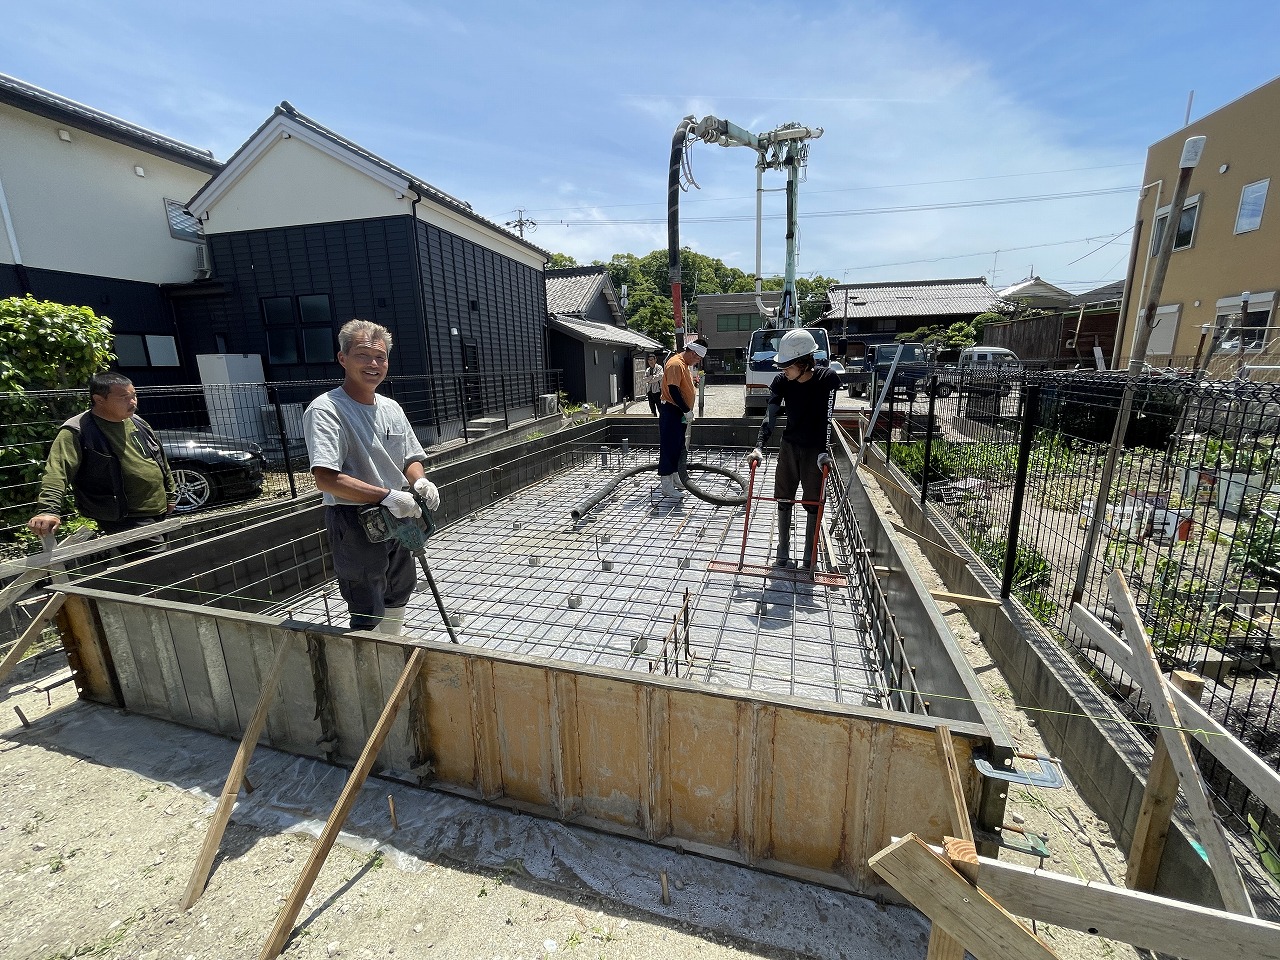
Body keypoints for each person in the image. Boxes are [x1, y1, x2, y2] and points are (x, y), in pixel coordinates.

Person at [303, 319, 441, 634]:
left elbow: (410, 457)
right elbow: (326, 478)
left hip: (399, 514)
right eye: (363, 355)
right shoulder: (327, 411)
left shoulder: (392, 408)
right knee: (366, 597)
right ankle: (371, 662)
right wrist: (387, 496)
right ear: (343, 358)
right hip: (355, 518)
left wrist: (419, 481)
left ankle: (391, 646)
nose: (373, 364)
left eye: (380, 357)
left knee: (399, 587)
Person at [29, 372, 176, 553]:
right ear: (99, 399)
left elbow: (159, 459)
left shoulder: (137, 422)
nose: (133, 402)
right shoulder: (78, 430)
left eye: (134, 395)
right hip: (125, 516)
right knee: (163, 568)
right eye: (124, 397)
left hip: (158, 511)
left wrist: (171, 494)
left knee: (163, 567)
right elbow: (58, 470)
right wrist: (48, 510)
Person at [747, 329, 840, 568]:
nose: (782, 370)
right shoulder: (782, 381)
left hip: (814, 451)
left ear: (803, 362)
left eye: (787, 366)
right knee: (784, 498)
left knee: (812, 501)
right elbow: (771, 414)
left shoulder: (825, 379)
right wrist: (759, 447)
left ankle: (809, 556)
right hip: (789, 447)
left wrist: (824, 450)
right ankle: (783, 552)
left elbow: (828, 418)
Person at [656, 338, 705, 499]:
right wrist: (686, 410)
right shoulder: (676, 364)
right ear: (692, 352)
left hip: (678, 412)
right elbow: (673, 390)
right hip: (671, 410)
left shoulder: (684, 364)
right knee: (669, 446)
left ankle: (676, 477)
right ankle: (666, 485)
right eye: (697, 358)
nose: (697, 362)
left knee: (678, 446)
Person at [642, 352, 663, 416]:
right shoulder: (648, 369)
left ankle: (662, 420)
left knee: (660, 407)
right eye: (649, 360)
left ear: (655, 360)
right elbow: (644, 380)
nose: (650, 361)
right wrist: (651, 377)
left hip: (657, 390)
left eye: (652, 360)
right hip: (649, 391)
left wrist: (649, 379)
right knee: (652, 407)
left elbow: (659, 376)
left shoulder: (659, 367)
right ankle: (653, 419)